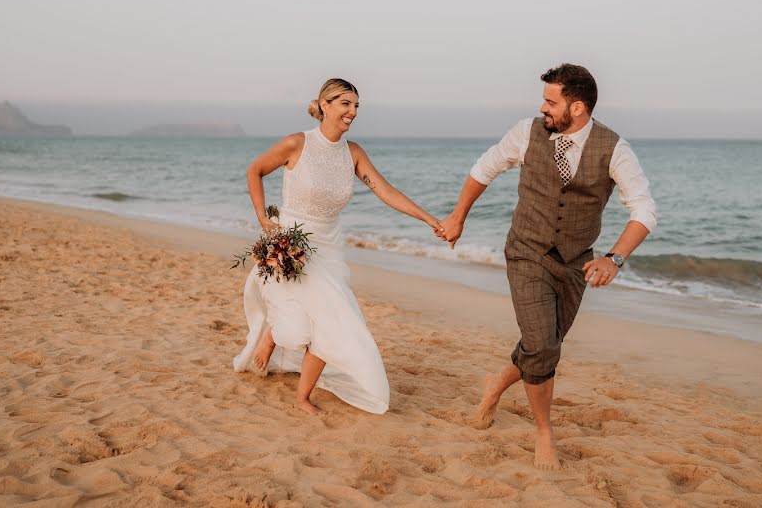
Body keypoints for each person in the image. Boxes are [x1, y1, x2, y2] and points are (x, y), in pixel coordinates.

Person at [437, 64, 657, 469]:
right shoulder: (525, 133)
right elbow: (482, 170)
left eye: (550, 101)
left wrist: (614, 258)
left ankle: (493, 388)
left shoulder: (614, 148)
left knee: (543, 347)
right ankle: (543, 432)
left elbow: (644, 209)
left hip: (575, 264)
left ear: (577, 107)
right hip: (526, 251)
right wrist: (458, 217)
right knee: (542, 345)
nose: (543, 108)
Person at [233, 78, 441, 415]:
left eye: (357, 105)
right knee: (294, 329)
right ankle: (271, 335)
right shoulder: (296, 143)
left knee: (330, 321)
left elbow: (385, 191)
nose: (353, 111)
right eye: (345, 103)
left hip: (329, 249)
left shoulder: (353, 153)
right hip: (292, 245)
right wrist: (264, 219)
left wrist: (429, 219)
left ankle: (302, 397)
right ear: (324, 104)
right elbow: (254, 170)